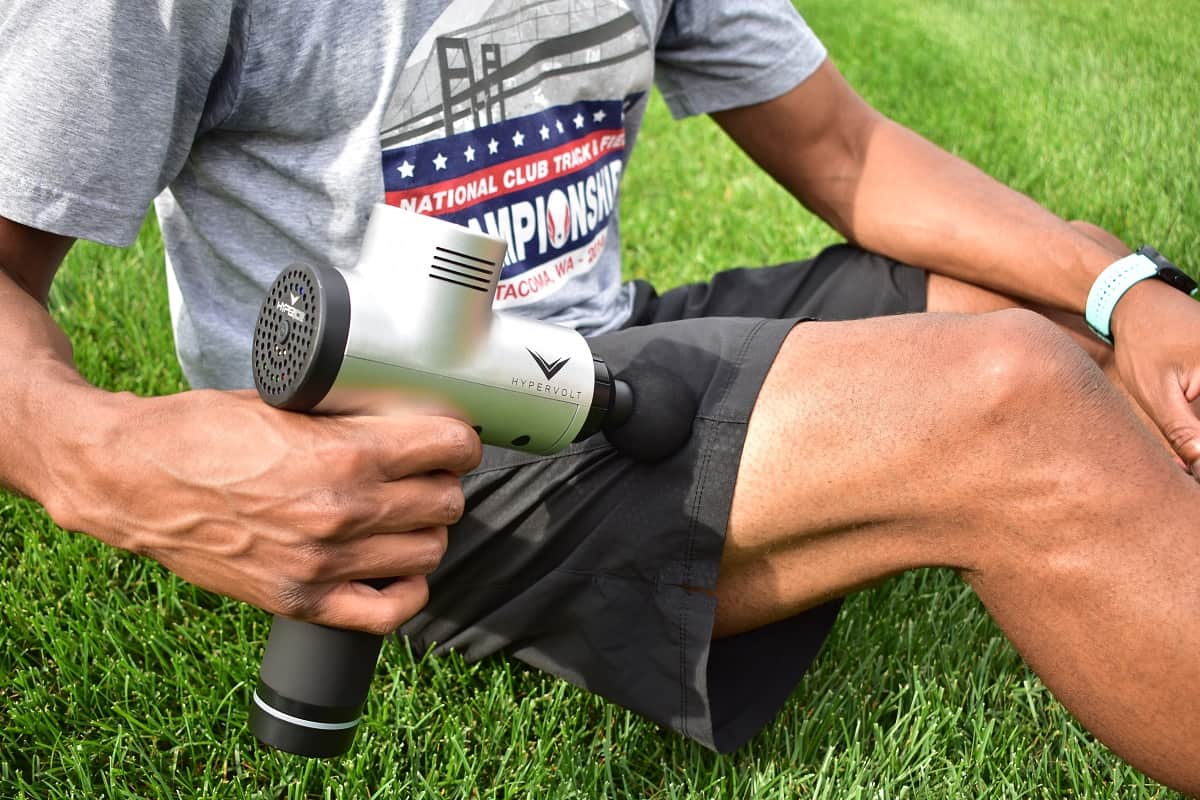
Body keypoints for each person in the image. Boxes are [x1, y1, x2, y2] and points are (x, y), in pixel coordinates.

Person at [1, 0, 1197, 792]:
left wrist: (1125, 288)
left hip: (587, 347)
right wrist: (94, 458)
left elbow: (842, 146)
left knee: (1055, 301)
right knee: (1011, 394)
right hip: (390, 454)